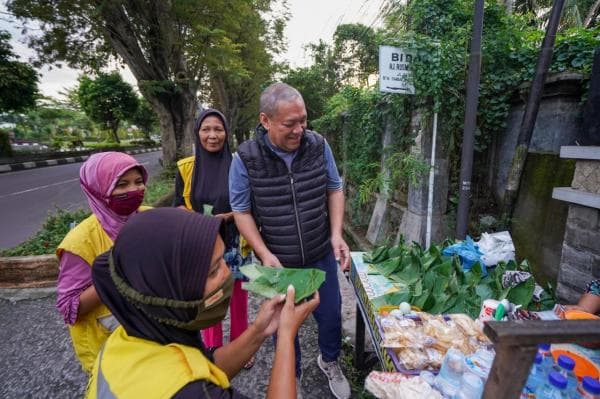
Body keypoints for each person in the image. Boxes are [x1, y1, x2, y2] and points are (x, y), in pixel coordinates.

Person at [87, 208, 319, 398]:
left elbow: (207, 365)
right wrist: (287, 336)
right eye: (213, 271)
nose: (227, 274)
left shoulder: (125, 342)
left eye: (223, 260)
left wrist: (261, 329)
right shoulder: (190, 393)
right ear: (169, 290)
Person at [229, 82, 351, 399]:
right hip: (277, 261)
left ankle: (330, 361)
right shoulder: (245, 159)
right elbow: (241, 211)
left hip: (319, 251)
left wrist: (336, 234)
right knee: (284, 324)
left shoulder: (318, 145)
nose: (299, 130)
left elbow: (334, 189)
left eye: (303, 120)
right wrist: (263, 253)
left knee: (330, 315)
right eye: (289, 124)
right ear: (265, 121)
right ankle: (290, 375)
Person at [173, 108, 254, 368]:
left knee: (239, 299)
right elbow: (177, 205)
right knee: (210, 298)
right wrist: (199, 220)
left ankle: (241, 348)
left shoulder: (238, 165)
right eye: (206, 129)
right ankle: (211, 347)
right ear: (198, 133)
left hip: (234, 243)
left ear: (226, 133)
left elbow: (250, 203)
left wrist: (229, 216)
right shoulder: (186, 168)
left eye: (218, 129)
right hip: (202, 245)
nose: (212, 135)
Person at [56, 151, 149, 373]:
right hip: (106, 347)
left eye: (138, 182)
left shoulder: (147, 218)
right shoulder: (80, 242)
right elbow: (70, 308)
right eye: (122, 185)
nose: (134, 190)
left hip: (146, 336)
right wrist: (115, 273)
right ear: (98, 190)